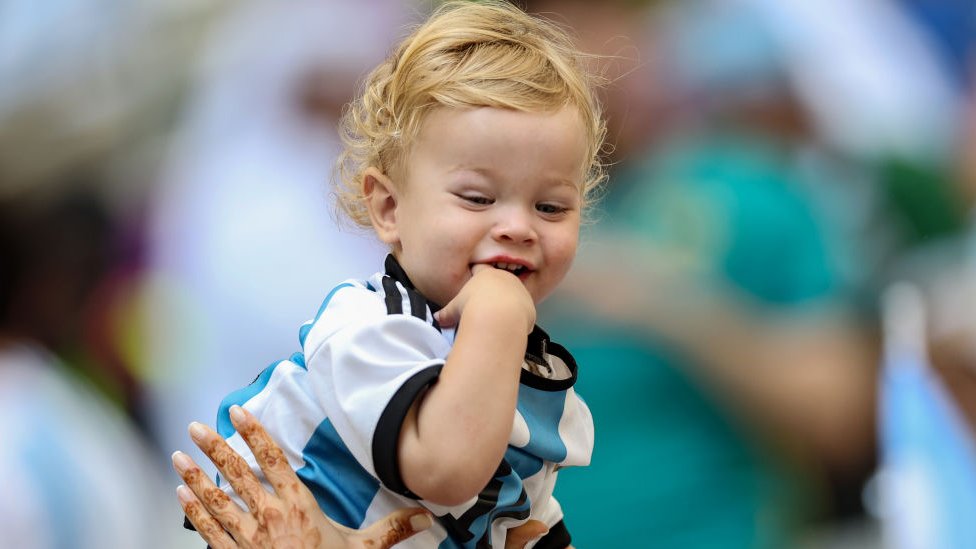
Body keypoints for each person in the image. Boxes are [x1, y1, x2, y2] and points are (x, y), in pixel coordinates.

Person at [175, 1, 605, 547]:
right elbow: (447, 468)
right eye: (477, 198)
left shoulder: (532, 380)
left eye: (551, 208)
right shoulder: (366, 326)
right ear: (389, 208)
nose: (518, 226)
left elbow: (527, 527)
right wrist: (497, 312)